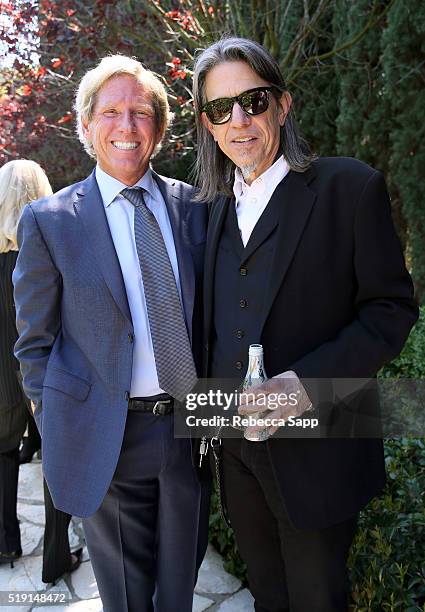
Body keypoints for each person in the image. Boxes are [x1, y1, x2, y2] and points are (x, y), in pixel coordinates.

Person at [192, 37, 418, 611]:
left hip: (320, 449)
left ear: (283, 105)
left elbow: (390, 312)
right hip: (236, 454)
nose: (239, 121)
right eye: (221, 109)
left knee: (318, 600)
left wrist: (308, 383)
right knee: (268, 595)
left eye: (254, 101)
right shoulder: (210, 210)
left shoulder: (350, 189)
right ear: (208, 125)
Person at [13, 55, 209, 611]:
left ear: (161, 128)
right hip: (106, 436)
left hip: (187, 434)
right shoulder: (50, 221)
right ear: (86, 125)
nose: (127, 126)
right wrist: (61, 422)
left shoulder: (195, 209)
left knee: (179, 593)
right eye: (112, 112)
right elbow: (34, 343)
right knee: (125, 598)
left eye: (141, 113)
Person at [0, 159, 82, 579]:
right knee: (55, 461)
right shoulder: (55, 245)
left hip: (3, 380)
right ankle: (55, 557)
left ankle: (4, 541)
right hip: (45, 374)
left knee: (2, 456)